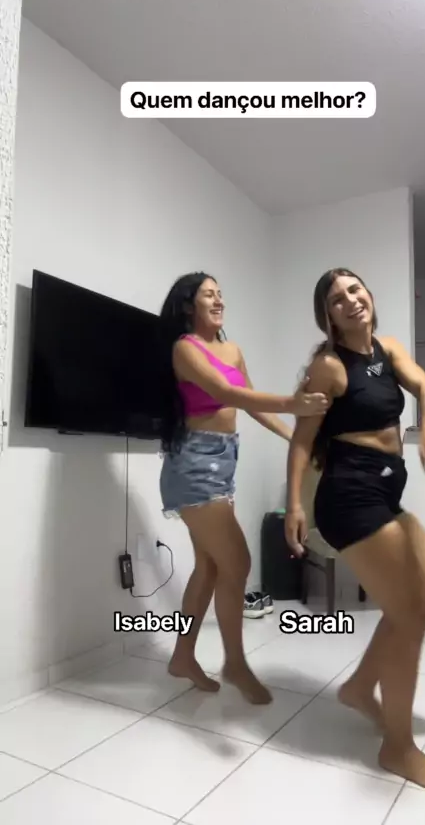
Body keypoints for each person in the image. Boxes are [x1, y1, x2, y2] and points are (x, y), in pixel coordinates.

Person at [285, 268, 425, 792]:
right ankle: (397, 747)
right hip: (349, 497)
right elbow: (302, 439)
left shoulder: (389, 349)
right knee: (409, 613)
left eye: (354, 290)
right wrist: (294, 505)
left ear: (368, 296)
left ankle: (361, 687)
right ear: (328, 316)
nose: (350, 300)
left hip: (385, 492)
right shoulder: (329, 367)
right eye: (337, 299)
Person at [157, 271, 328, 704]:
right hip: (193, 464)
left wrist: (295, 437)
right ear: (188, 305)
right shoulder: (184, 348)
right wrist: (293, 403)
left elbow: (250, 403)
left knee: (210, 567)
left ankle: (182, 657)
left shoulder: (231, 349)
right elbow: (226, 394)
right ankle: (235, 663)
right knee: (238, 562)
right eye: (208, 295)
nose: (218, 301)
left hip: (224, 462)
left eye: (220, 294)